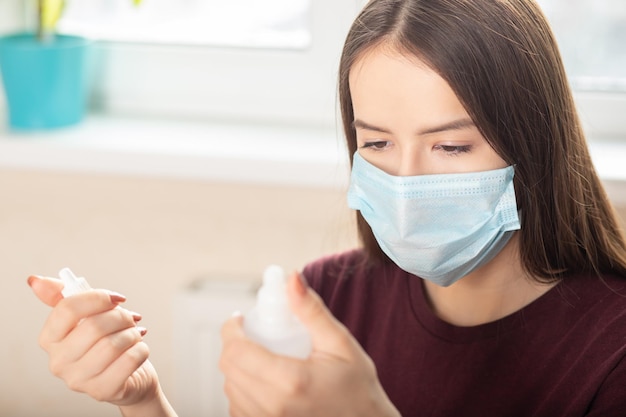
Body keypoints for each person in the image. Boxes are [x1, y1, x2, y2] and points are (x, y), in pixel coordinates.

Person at [28, 0, 626, 416]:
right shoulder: (325, 303)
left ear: (534, 140)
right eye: (377, 143)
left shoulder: (610, 352)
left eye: (450, 145)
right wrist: (141, 401)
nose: (407, 181)